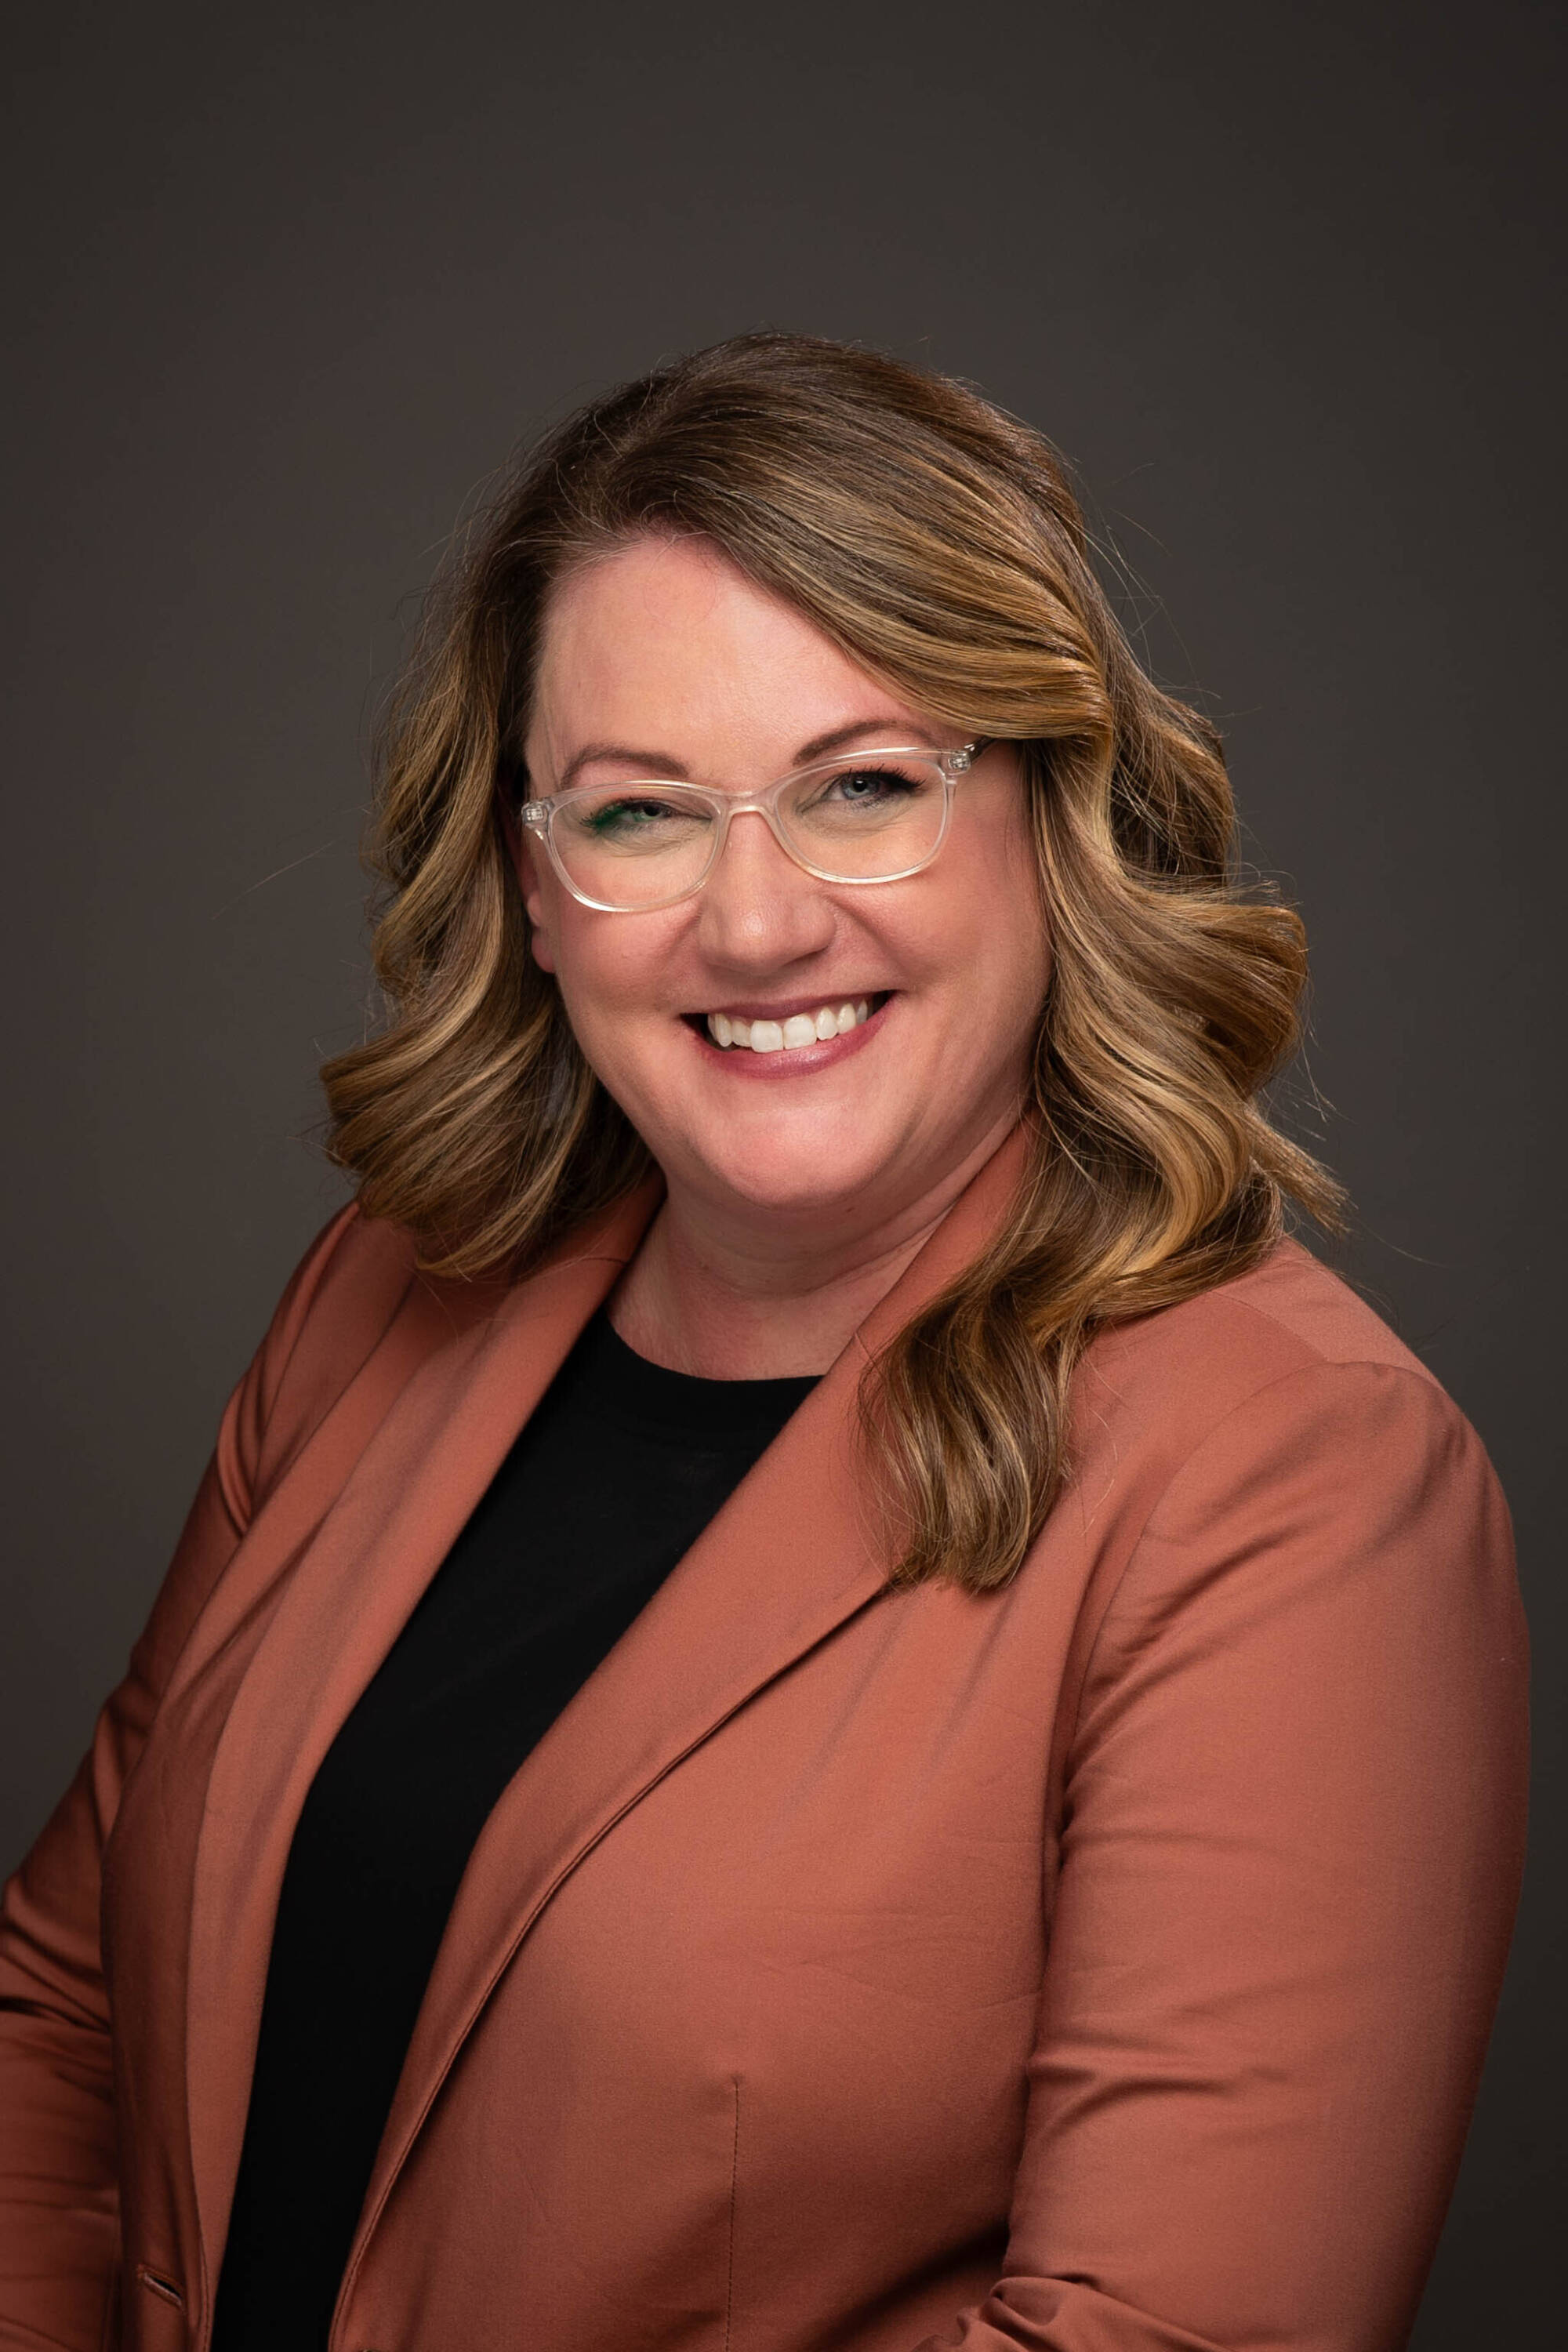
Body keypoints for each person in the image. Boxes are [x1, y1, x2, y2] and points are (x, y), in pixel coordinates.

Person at [0, 332, 1527, 2352]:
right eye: (639, 815)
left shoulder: (1299, 1482)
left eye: (867, 788)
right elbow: (64, 2022)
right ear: (535, 889)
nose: (755, 922)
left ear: (1048, 829)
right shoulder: (387, 1290)